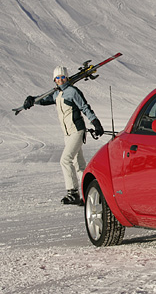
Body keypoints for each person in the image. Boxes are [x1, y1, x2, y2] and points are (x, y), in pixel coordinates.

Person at [23, 66, 104, 205]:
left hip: (77, 131)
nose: (60, 80)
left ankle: (73, 192)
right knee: (78, 165)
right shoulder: (57, 94)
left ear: (67, 78)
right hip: (67, 134)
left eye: (63, 77)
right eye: (58, 78)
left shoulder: (72, 92)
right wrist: (32, 100)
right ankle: (90, 193)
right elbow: (45, 99)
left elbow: (85, 107)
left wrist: (96, 122)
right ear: (54, 79)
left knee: (65, 160)